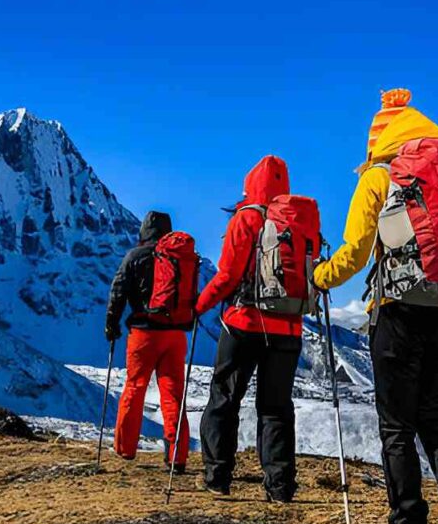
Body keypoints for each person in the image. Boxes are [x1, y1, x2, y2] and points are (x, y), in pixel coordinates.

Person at [313, 89, 438, 524]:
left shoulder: (378, 177)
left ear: (380, 137)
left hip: (398, 315)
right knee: (435, 423)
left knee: (396, 429)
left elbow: (354, 251)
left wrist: (319, 278)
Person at [193, 155, 302, 503]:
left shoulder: (247, 218)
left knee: (225, 398)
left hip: (244, 324)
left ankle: (217, 476)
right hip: (288, 327)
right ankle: (280, 486)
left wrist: (199, 306)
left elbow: (226, 277)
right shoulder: (297, 222)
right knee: (276, 407)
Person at [105, 211, 191, 472]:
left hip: (143, 334)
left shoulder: (135, 256)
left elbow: (118, 291)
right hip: (175, 335)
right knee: (173, 393)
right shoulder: (179, 258)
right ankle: (177, 457)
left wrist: (112, 324)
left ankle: (125, 449)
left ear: (143, 231)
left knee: (135, 387)